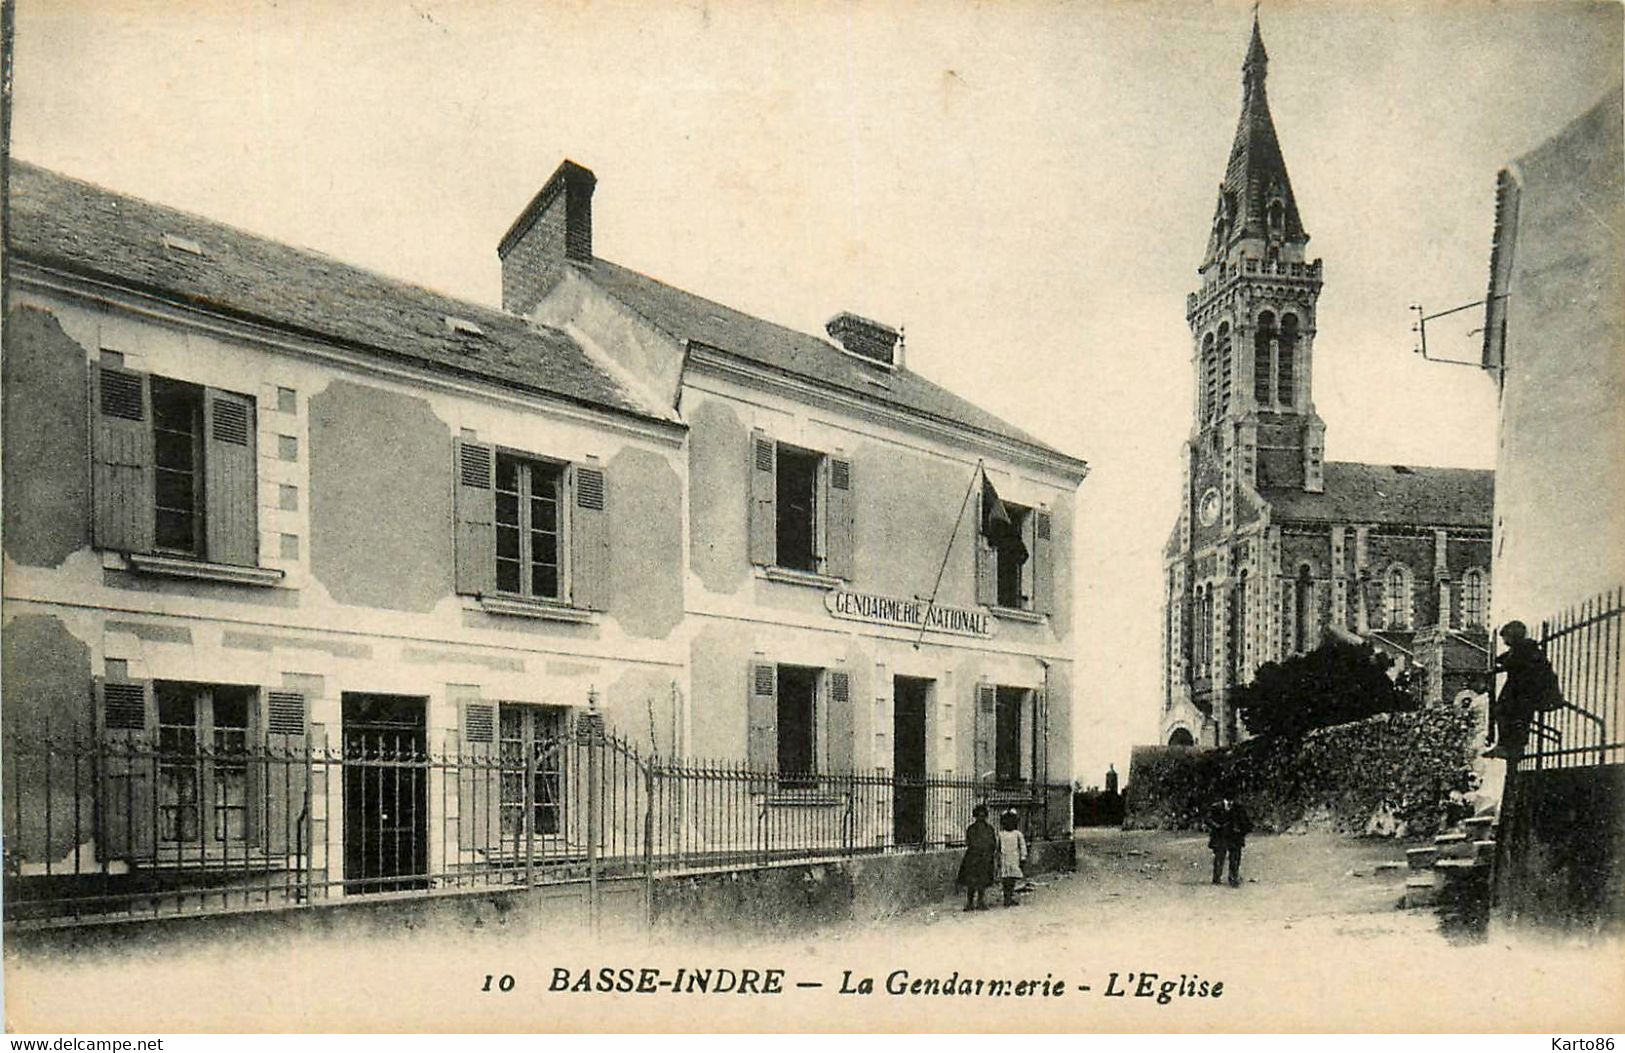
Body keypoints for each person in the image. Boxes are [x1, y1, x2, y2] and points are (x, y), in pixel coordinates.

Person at [1485, 620, 1561, 759]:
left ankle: (1511, 747)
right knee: (1505, 710)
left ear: (1513, 635)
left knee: (1512, 713)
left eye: (1505, 637)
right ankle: (1506, 746)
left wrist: (1502, 664)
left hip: (1529, 691)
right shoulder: (1522, 647)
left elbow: (1515, 662)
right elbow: (1509, 659)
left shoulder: (1524, 648)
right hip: (1523, 689)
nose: (1504, 641)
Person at [956, 804, 997, 911]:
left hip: (984, 858)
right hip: (973, 858)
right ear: (975, 816)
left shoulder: (989, 829)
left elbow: (993, 843)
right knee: (971, 882)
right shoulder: (971, 828)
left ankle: (980, 901)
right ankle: (970, 902)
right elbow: (969, 842)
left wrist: (989, 854)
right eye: (979, 816)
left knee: (982, 881)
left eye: (983, 816)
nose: (981, 818)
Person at [1207, 789, 1251, 888]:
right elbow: (1208, 819)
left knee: (1235, 858)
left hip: (1234, 837)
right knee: (1219, 857)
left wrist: (1242, 831)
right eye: (1228, 801)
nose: (1230, 803)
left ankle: (1233, 877)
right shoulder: (1216, 807)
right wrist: (1217, 826)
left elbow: (1246, 822)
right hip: (1220, 836)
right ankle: (1217, 877)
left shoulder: (1239, 808)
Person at [996, 810, 1028, 907]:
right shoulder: (1001, 834)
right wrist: (997, 858)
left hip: (1014, 859)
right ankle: (1007, 898)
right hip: (1004, 859)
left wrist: (1023, 858)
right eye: (1007, 822)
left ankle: (1010, 896)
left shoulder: (1018, 834)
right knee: (1005, 879)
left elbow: (1022, 846)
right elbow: (998, 847)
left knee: (1012, 879)